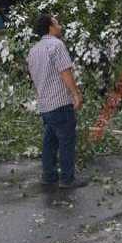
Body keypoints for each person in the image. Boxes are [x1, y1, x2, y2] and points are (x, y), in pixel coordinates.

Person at [26, 14, 86, 189]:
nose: (60, 26)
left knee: (49, 142)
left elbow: (34, 78)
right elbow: (65, 72)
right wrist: (76, 94)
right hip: (60, 103)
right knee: (66, 141)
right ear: (50, 27)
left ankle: (49, 175)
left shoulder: (33, 50)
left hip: (45, 105)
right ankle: (67, 179)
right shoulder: (56, 45)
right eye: (57, 23)